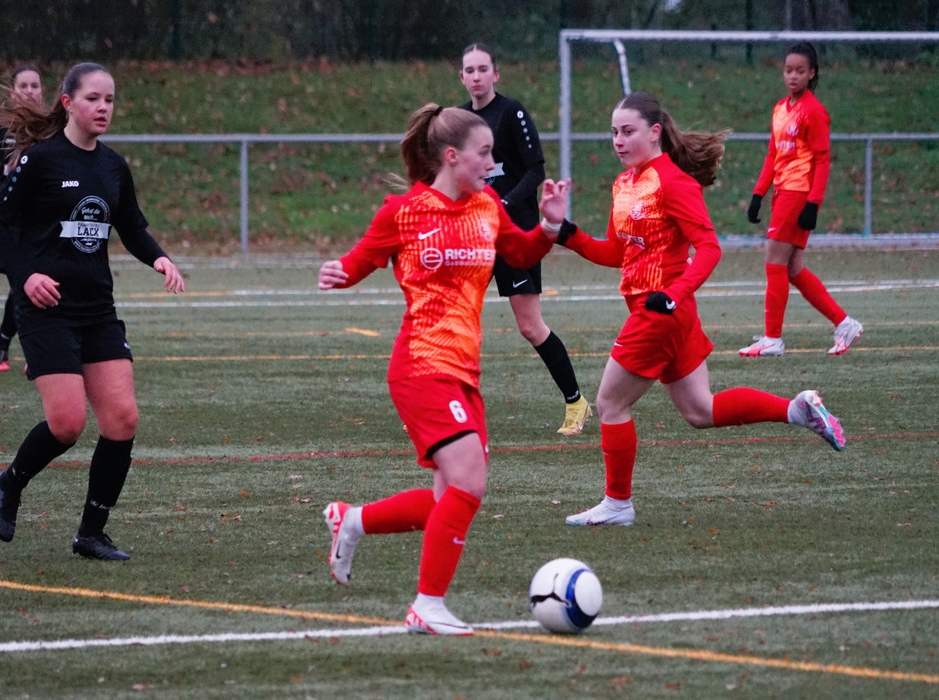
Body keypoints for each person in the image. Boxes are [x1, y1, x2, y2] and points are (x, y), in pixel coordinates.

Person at [319, 103, 569, 635]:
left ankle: (353, 520)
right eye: (485, 153)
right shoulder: (403, 212)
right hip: (420, 365)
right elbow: (360, 260)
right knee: (469, 482)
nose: (493, 163)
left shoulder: (488, 206)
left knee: (447, 499)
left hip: (464, 371)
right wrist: (340, 271)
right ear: (452, 157)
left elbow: (521, 252)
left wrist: (549, 223)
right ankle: (426, 606)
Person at [552, 92, 845, 527]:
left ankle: (617, 504)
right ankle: (795, 409)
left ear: (655, 132)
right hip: (668, 312)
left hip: (660, 312)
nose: (618, 140)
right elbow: (616, 252)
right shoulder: (625, 183)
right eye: (613, 132)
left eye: (628, 131)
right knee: (700, 411)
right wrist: (565, 232)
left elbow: (709, 248)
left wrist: (674, 293)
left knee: (609, 403)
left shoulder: (673, 182)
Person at [0, 62, 185, 560]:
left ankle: (91, 534)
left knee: (122, 419)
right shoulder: (40, 160)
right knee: (67, 423)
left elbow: (130, 226)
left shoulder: (113, 166)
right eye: (93, 98)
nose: (103, 108)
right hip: (45, 308)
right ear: (68, 102)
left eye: (109, 100)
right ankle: (10, 482)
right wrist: (26, 276)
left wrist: (159, 258)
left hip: (97, 308)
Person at [459, 43, 591, 435]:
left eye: (484, 69)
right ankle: (449, 408)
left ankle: (576, 402)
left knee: (530, 326)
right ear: (462, 77)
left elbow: (535, 171)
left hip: (515, 233)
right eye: (470, 70)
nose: (477, 76)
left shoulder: (512, 112)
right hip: (474, 237)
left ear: (495, 74)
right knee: (457, 319)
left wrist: (502, 203)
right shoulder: (458, 120)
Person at [739, 41, 863, 357]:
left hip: (798, 193)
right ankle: (844, 323)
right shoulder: (780, 109)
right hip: (782, 192)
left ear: (811, 73)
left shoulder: (814, 111)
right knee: (792, 269)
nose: (792, 76)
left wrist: (813, 203)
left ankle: (773, 339)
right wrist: (758, 194)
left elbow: (822, 159)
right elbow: (773, 154)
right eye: (788, 70)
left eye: (799, 71)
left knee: (774, 261)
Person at [0, 66, 45, 372]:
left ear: (42, 91)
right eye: (24, 86)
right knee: (22, 283)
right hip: (7, 221)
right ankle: (9, 345)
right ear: (13, 93)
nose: (30, 91)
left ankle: (19, 346)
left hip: (38, 220)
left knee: (36, 281)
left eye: (35, 85)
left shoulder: (51, 128)